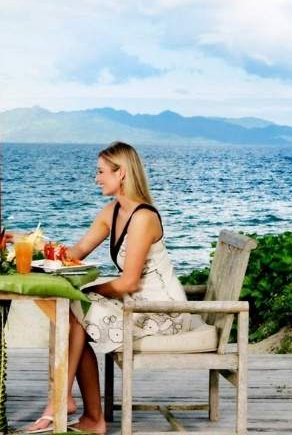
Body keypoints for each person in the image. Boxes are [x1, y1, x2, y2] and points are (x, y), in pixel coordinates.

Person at [23, 141, 191, 435]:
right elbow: (76, 253)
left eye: (101, 172)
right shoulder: (112, 211)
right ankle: (86, 414)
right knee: (74, 310)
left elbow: (128, 282)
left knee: (78, 308)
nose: (96, 178)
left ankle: (68, 402)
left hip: (163, 312)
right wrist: (30, 243)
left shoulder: (143, 217)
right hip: (134, 304)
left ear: (121, 173)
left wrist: (88, 293)